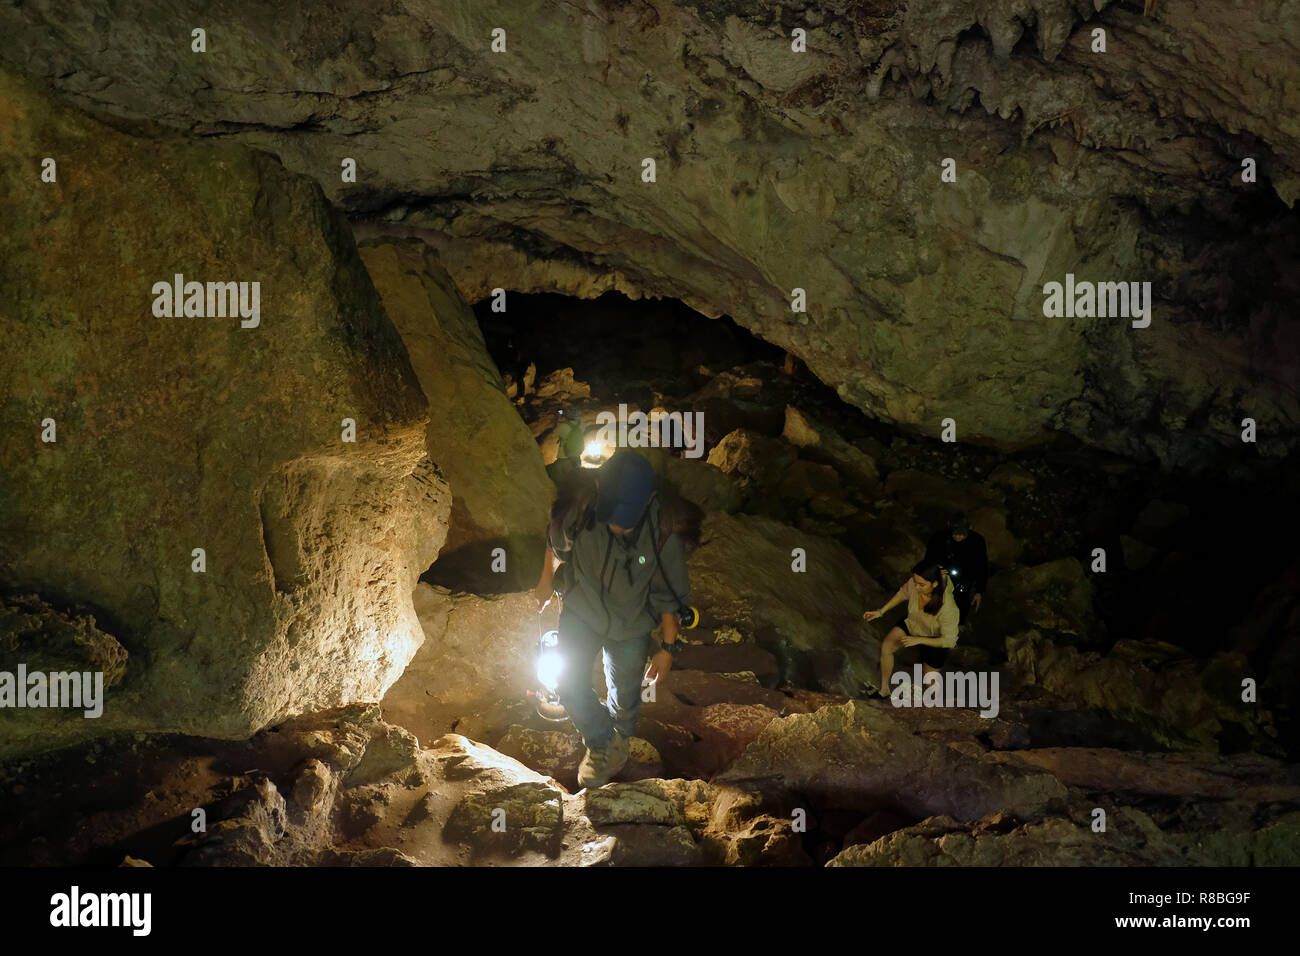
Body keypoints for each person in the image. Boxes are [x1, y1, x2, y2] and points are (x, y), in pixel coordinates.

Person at [533, 450, 700, 788]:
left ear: (649, 498)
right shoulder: (582, 508)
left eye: (627, 515)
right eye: (613, 511)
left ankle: (620, 738)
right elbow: (556, 543)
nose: (617, 523)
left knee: (624, 694)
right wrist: (546, 581)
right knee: (567, 681)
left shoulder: (661, 530)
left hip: (632, 623)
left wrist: (667, 647)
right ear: (598, 486)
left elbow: (668, 593)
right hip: (583, 611)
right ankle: (600, 742)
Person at [864, 561, 960, 694]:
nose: (916, 586)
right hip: (914, 622)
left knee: (929, 680)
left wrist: (919, 640)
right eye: (915, 582)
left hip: (934, 637)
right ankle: (884, 689)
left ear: (935, 584)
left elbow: (949, 641)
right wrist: (880, 612)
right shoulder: (915, 583)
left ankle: (938, 703)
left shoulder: (948, 607)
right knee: (887, 646)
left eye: (921, 584)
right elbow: (902, 594)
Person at [923, 511, 988, 623]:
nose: (958, 537)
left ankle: (959, 625)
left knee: (961, 604)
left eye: (962, 534)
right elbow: (929, 560)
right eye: (955, 533)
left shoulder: (977, 541)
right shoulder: (939, 538)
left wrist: (979, 591)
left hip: (964, 581)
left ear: (969, 529)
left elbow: (982, 566)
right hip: (942, 578)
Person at [547, 408, 586, 482]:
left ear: (567, 416)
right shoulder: (583, 425)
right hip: (576, 457)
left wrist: (558, 419)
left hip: (563, 458)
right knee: (574, 480)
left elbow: (554, 434)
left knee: (558, 479)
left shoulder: (563, 426)